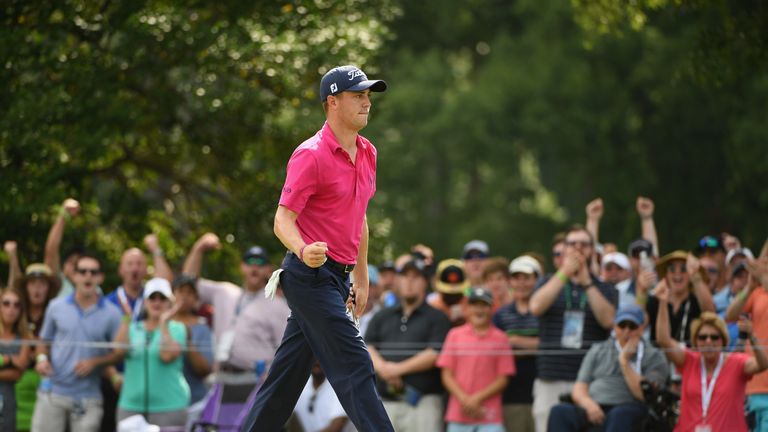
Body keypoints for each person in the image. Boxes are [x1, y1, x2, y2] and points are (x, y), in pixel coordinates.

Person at [240, 64, 391, 432]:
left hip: (337, 279)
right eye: (358, 96)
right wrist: (303, 248)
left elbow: (360, 218)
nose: (366, 103)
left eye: (368, 95)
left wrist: (361, 277)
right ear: (332, 102)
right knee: (354, 362)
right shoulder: (310, 154)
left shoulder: (368, 152)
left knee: (285, 380)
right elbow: (282, 220)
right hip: (308, 277)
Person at [529, 225, 617, 432]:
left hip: (591, 381)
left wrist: (587, 283)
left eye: (584, 244)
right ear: (564, 248)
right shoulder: (547, 281)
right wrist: (564, 274)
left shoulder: (605, 287)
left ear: (592, 250)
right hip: (551, 378)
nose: (578, 248)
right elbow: (535, 307)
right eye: (572, 244)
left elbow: (608, 321)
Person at [655, 279, 768, 432]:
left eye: (714, 337)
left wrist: (752, 337)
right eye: (702, 337)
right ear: (695, 342)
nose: (708, 341)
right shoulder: (689, 360)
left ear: (723, 341)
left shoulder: (735, 363)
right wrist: (662, 303)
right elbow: (663, 340)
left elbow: (762, 364)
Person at [33, 253, 123, 432]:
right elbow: (43, 342)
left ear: (100, 277)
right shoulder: (56, 306)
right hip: (53, 392)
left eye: (93, 272)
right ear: (74, 276)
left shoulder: (113, 313)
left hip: (89, 397)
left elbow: (120, 352)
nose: (88, 276)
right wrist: (41, 359)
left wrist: (96, 362)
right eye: (82, 271)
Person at [547, 304, 668, 432]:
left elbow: (644, 395)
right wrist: (588, 405)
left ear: (641, 329)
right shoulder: (598, 349)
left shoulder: (654, 355)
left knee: (620, 415)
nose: (626, 331)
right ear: (615, 327)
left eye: (632, 326)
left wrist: (624, 361)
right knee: (559, 412)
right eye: (622, 326)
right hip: (594, 405)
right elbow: (579, 387)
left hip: (628, 407)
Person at [365, 258, 451, 431]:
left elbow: (434, 354)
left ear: (425, 283)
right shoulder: (382, 316)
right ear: (398, 281)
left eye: (416, 277)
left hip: (423, 403)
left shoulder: (437, 317)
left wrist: (396, 369)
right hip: (385, 402)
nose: (409, 281)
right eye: (405, 276)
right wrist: (384, 369)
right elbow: (368, 346)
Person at [114, 277, 190, 428]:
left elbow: (166, 356)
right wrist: (126, 319)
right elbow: (118, 352)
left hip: (170, 406)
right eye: (152, 298)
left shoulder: (178, 328)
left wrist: (163, 323)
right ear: (145, 301)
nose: (157, 302)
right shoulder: (133, 328)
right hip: (131, 406)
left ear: (170, 302)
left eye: (162, 298)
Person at [438, 287, 515, 432]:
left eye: (484, 305)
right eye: (474, 305)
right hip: (458, 415)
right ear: (467, 308)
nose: (479, 310)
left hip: (490, 416)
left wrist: (475, 399)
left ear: (491, 309)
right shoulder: (454, 335)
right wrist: (465, 399)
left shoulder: (501, 338)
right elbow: (446, 374)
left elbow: (503, 378)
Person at [493, 255, 541, 432]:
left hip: (541, 389)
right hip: (510, 395)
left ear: (537, 280)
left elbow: (549, 344)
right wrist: (533, 345)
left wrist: (514, 341)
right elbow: (496, 349)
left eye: (526, 278)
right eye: (516, 278)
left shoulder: (545, 311)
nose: (521, 283)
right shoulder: (501, 314)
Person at [14, 263, 60, 432]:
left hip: (50, 381)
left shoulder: (56, 312)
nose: (37, 289)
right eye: (32, 283)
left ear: (49, 288)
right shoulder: (15, 311)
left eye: (42, 284)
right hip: (17, 378)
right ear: (26, 287)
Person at [725, 257, 768, 429]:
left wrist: (763, 277)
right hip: (753, 385)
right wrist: (750, 286)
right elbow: (730, 315)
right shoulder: (757, 293)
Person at [170, 274, 213, 430]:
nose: (185, 297)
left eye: (190, 293)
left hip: (194, 402)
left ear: (195, 298)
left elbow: (204, 370)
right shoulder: (161, 323)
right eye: (181, 291)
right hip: (165, 402)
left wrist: (188, 341)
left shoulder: (202, 328)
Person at [645, 250, 715, 345]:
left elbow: (710, 313)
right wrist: (641, 291)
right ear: (666, 274)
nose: (677, 274)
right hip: (658, 357)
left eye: (683, 269)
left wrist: (696, 277)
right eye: (672, 269)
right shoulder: (655, 300)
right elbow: (639, 324)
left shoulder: (696, 300)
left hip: (690, 356)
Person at [291, 361, 357, 432]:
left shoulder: (342, 384)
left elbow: (335, 428)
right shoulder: (299, 384)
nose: (316, 361)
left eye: (320, 355)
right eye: (313, 355)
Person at [0, 287, 32, 431]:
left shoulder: (25, 337)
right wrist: (11, 360)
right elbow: (17, 366)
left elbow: (18, 373)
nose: (11, 309)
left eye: (16, 304)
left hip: (8, 398)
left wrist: (6, 360)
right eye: (6, 303)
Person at [43, 198, 83, 298]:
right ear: (63, 266)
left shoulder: (95, 290)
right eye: (71, 262)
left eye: (78, 264)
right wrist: (64, 214)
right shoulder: (57, 283)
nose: (75, 267)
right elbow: (51, 251)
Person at [428, 259, 470, 327]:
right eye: (448, 295)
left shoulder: (472, 305)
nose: (453, 298)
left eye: (457, 294)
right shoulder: (432, 306)